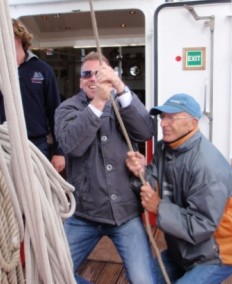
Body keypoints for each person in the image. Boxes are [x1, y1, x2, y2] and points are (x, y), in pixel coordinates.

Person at [126, 93, 232, 284]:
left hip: (220, 250)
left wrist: (159, 207)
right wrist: (140, 173)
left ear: (193, 123)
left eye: (172, 118)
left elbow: (202, 225)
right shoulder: (164, 148)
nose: (163, 123)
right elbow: (153, 183)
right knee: (141, 280)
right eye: (162, 118)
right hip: (186, 247)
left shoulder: (206, 165)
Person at [54, 51, 157, 284]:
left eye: (99, 74)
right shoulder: (66, 109)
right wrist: (99, 102)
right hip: (84, 213)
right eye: (86, 74)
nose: (92, 78)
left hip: (125, 213)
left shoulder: (123, 105)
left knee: (143, 281)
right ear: (80, 81)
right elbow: (73, 145)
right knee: (53, 272)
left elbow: (145, 130)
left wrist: (120, 87)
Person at [0, 18, 65, 173]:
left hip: (37, 146)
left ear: (19, 36)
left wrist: (59, 151)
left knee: (39, 195)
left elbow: (56, 113)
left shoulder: (42, 70)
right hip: (5, 146)